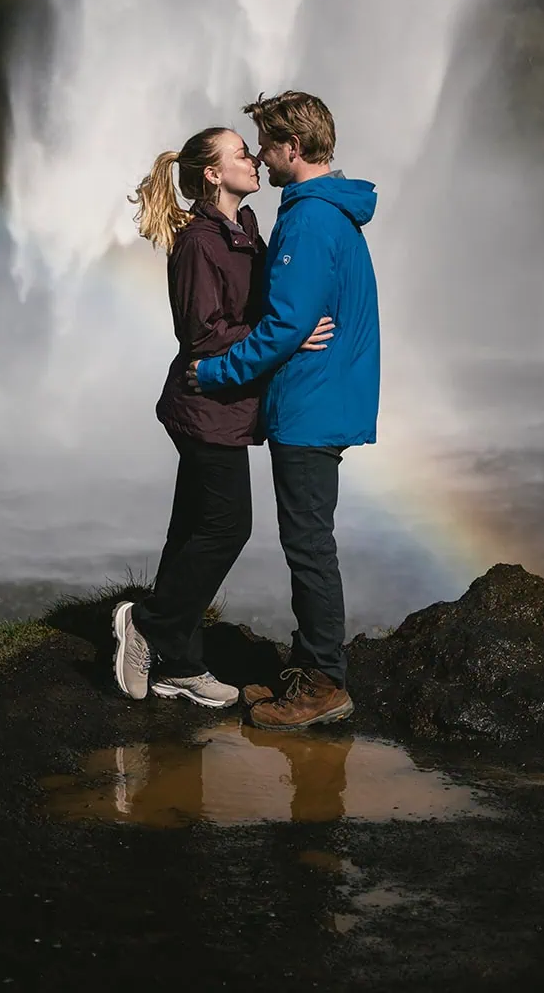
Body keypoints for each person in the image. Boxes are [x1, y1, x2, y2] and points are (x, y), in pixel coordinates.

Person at [112, 125, 333, 708]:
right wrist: (288, 337)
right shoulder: (198, 243)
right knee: (229, 526)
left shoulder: (245, 229)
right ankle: (148, 627)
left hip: (229, 407)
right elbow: (202, 336)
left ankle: (178, 663)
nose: (255, 159)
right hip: (205, 405)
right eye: (241, 154)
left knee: (190, 530)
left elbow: (258, 309)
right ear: (213, 174)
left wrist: (290, 324)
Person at [188, 91, 379, 730]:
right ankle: (310, 668)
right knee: (309, 539)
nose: (262, 158)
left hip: (311, 404)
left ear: (291, 149)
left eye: (265, 146)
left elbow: (286, 323)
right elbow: (296, 319)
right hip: (322, 396)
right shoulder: (328, 212)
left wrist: (214, 371)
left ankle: (324, 684)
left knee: (307, 544)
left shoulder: (308, 220)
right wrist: (296, 327)